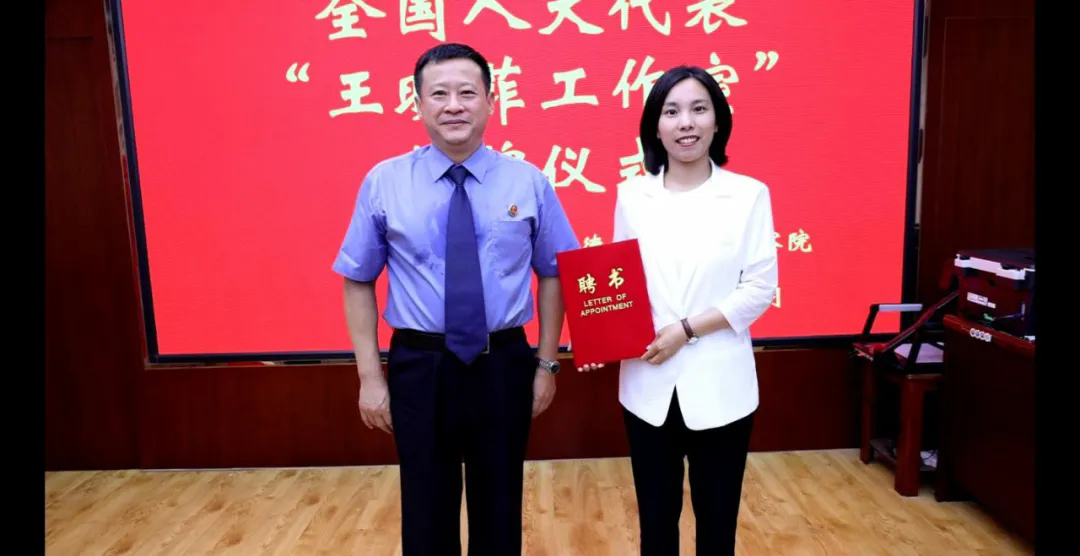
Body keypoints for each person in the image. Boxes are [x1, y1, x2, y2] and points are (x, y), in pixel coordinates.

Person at [332, 43, 579, 556]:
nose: (454, 106)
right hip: (421, 366)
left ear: (491, 100)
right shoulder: (385, 182)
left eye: (467, 93)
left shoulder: (528, 181)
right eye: (439, 94)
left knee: (500, 509)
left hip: (503, 363)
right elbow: (357, 278)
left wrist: (546, 364)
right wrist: (369, 376)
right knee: (425, 512)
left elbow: (555, 273)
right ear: (418, 104)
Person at [578, 65, 779, 555]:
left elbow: (759, 289)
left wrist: (686, 330)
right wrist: (599, 336)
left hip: (722, 386)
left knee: (717, 526)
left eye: (698, 109)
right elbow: (620, 284)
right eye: (671, 111)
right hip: (647, 384)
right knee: (656, 525)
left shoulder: (748, 195)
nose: (685, 122)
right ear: (655, 125)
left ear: (717, 121)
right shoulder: (632, 195)